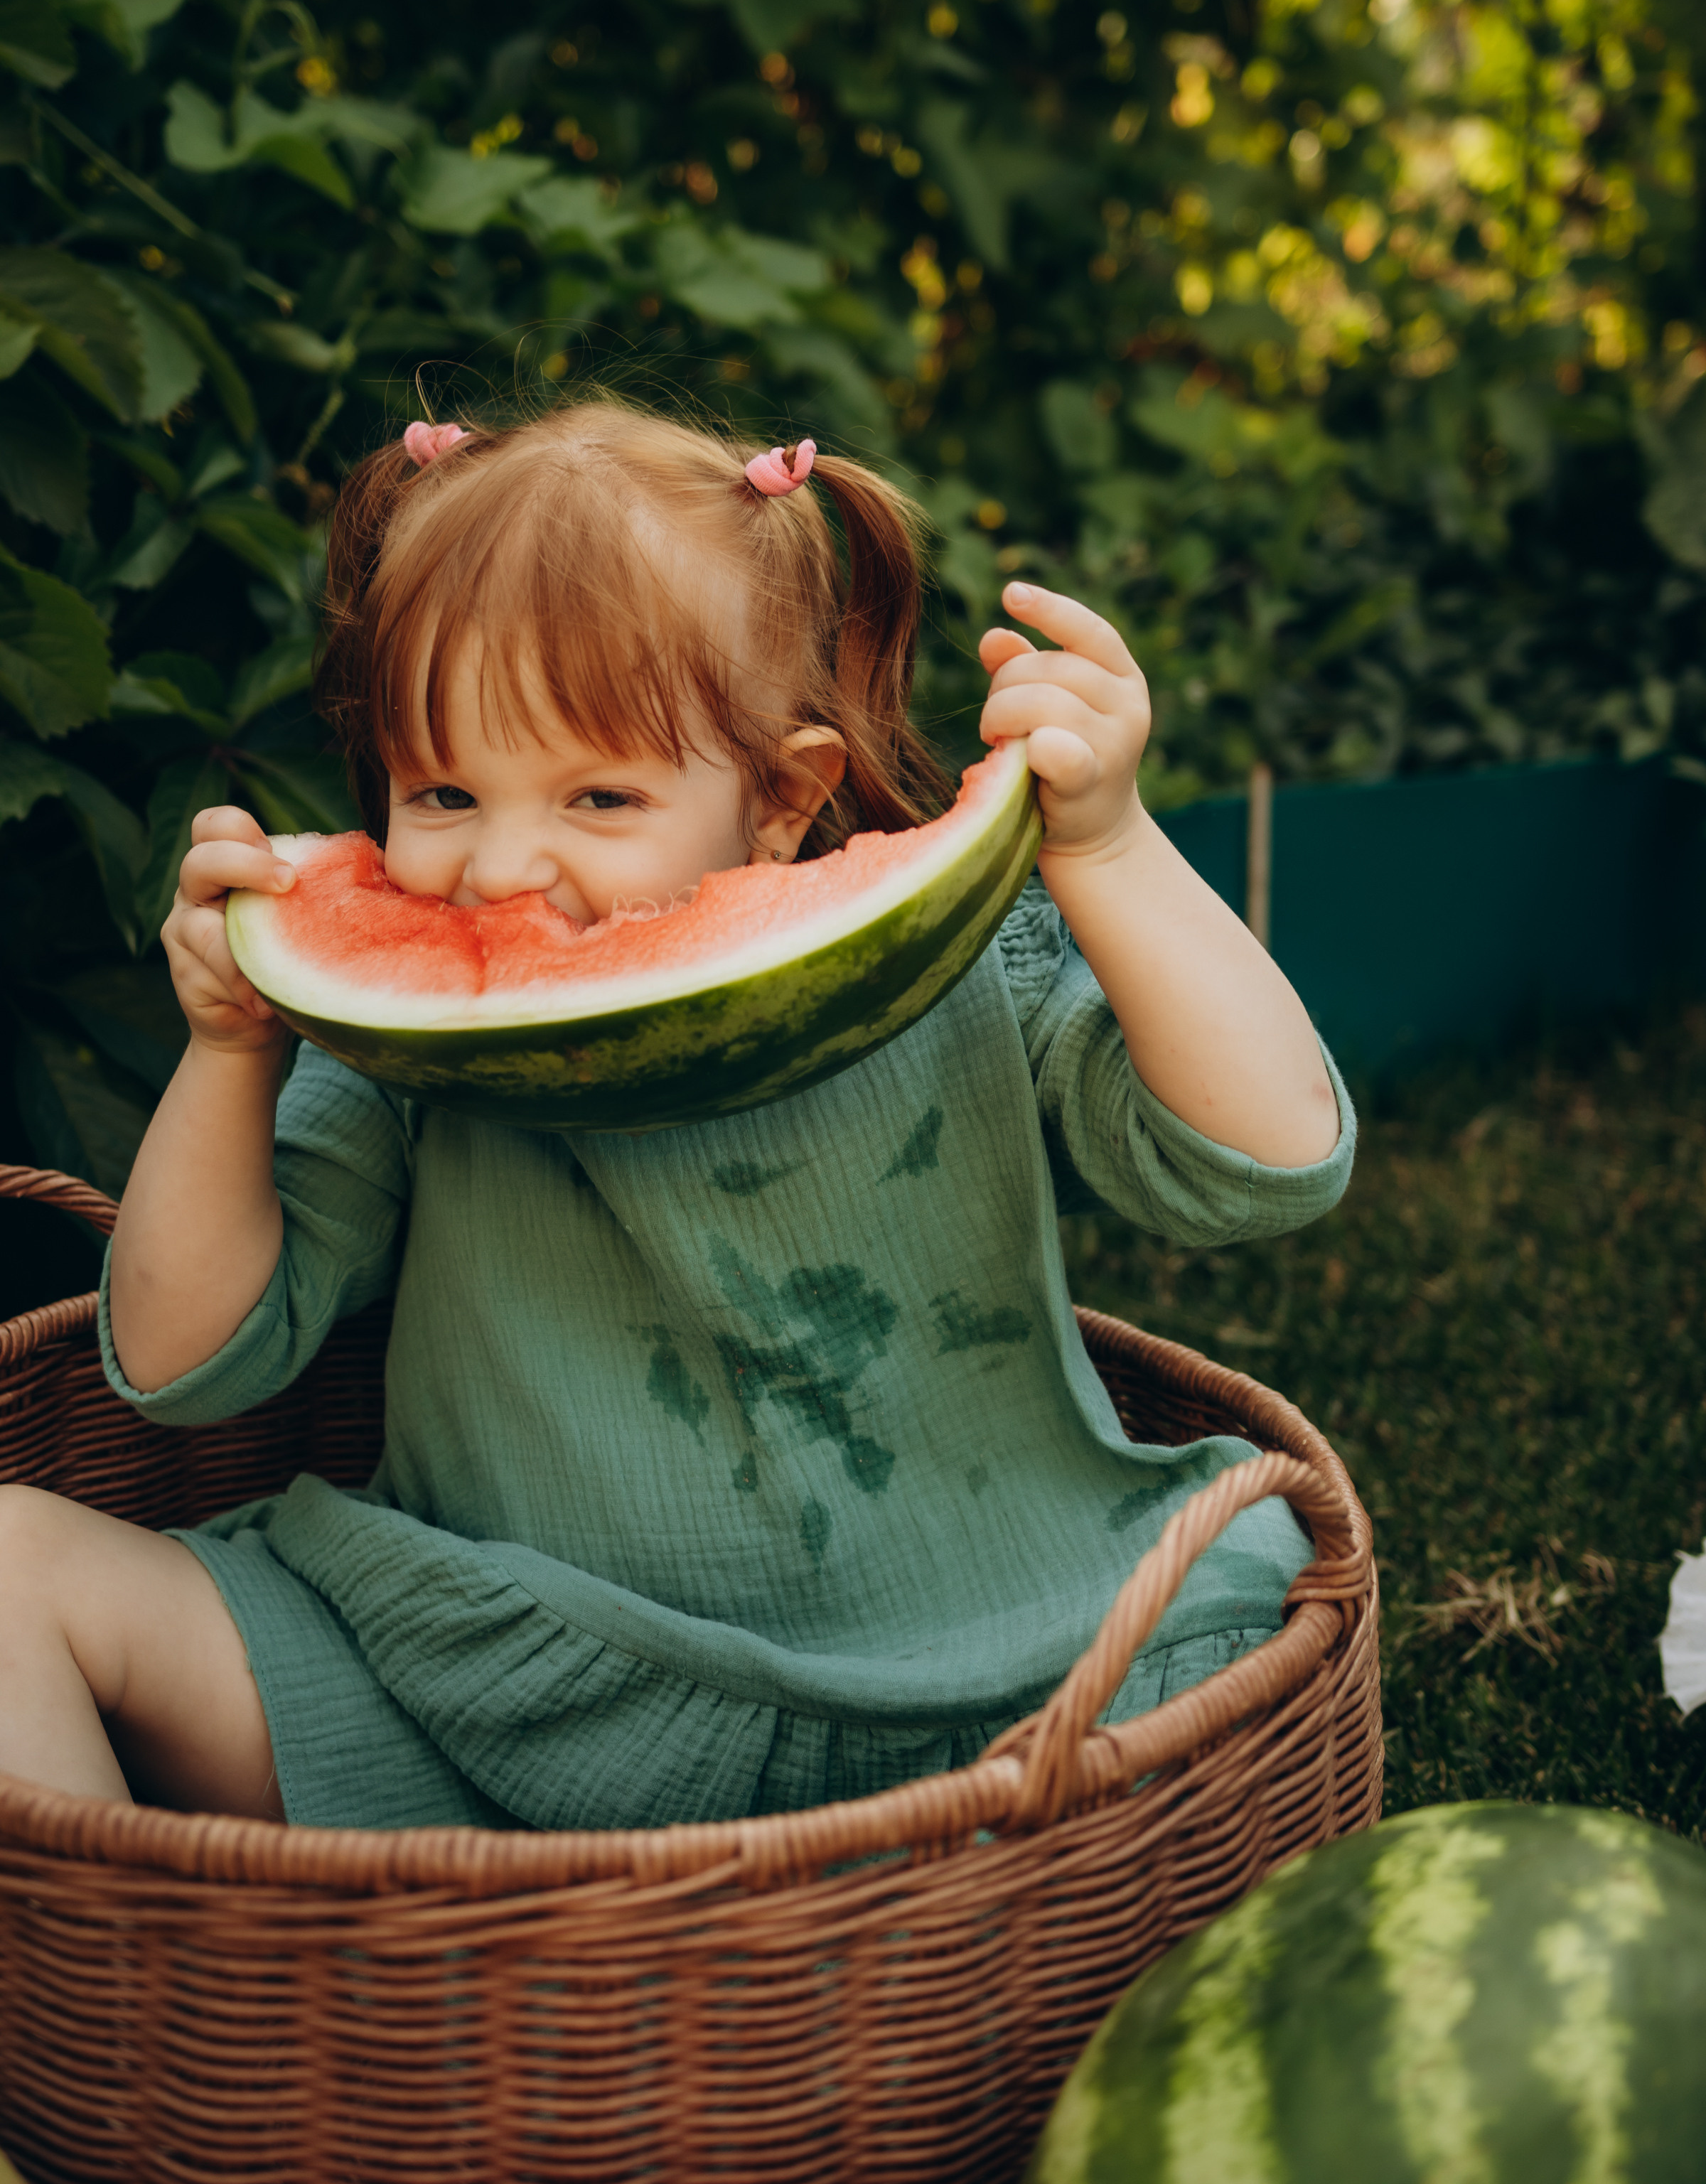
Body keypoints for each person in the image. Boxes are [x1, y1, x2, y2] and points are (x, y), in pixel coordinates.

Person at [0, 400, 1351, 1829]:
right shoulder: (404, 1057)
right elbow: (174, 1360)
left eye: (599, 794)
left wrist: (1115, 847)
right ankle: (162, 2023)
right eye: (441, 788)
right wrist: (229, 1050)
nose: (505, 868)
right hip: (497, 1697)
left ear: (783, 799)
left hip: (1005, 1674)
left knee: (1241, 1589)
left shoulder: (958, 971)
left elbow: (1270, 1165)